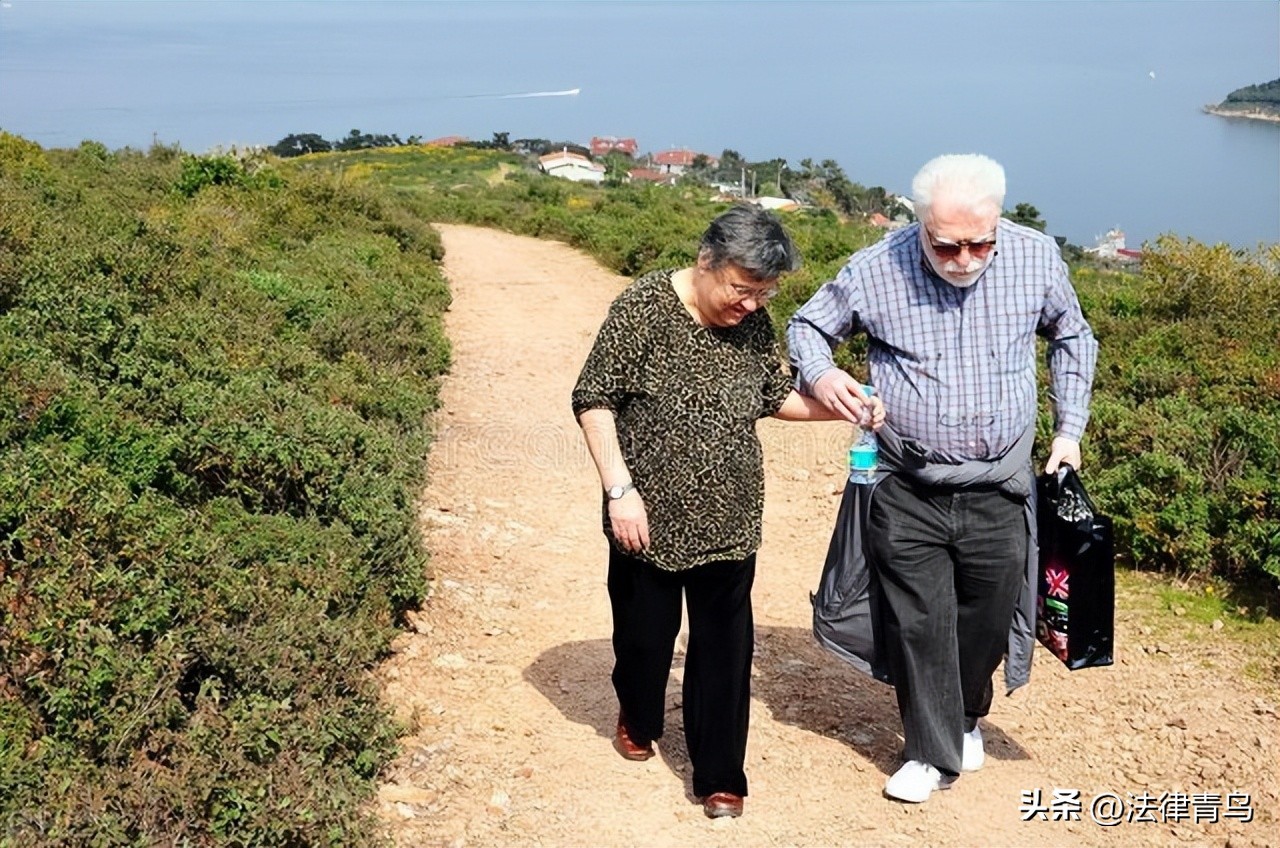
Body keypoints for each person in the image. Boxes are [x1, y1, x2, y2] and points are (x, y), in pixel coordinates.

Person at [787, 154, 1098, 803]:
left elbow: (1073, 336)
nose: (964, 258)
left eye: (978, 242)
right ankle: (930, 754)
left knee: (986, 615)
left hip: (1000, 482)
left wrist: (1068, 430)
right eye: (946, 244)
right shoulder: (877, 267)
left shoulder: (1036, 259)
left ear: (999, 221)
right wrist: (824, 375)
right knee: (919, 620)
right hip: (907, 480)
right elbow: (807, 327)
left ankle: (964, 716)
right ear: (921, 223)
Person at [572, 205, 875, 819]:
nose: (752, 304)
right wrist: (618, 490)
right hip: (646, 516)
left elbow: (774, 396)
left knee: (724, 652)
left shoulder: (753, 323)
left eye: (764, 293)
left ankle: (719, 775)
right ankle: (638, 711)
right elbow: (594, 399)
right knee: (643, 642)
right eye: (742, 288)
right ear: (707, 262)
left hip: (731, 515)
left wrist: (844, 405)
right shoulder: (644, 308)